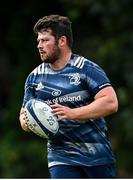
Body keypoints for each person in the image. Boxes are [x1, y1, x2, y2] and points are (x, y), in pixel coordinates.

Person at [19, 14, 118, 178]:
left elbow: (110, 102)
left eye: (45, 40)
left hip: (97, 156)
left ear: (62, 41)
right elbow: (24, 116)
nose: (39, 45)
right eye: (38, 41)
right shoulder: (34, 78)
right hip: (61, 158)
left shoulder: (86, 69)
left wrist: (73, 114)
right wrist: (32, 121)